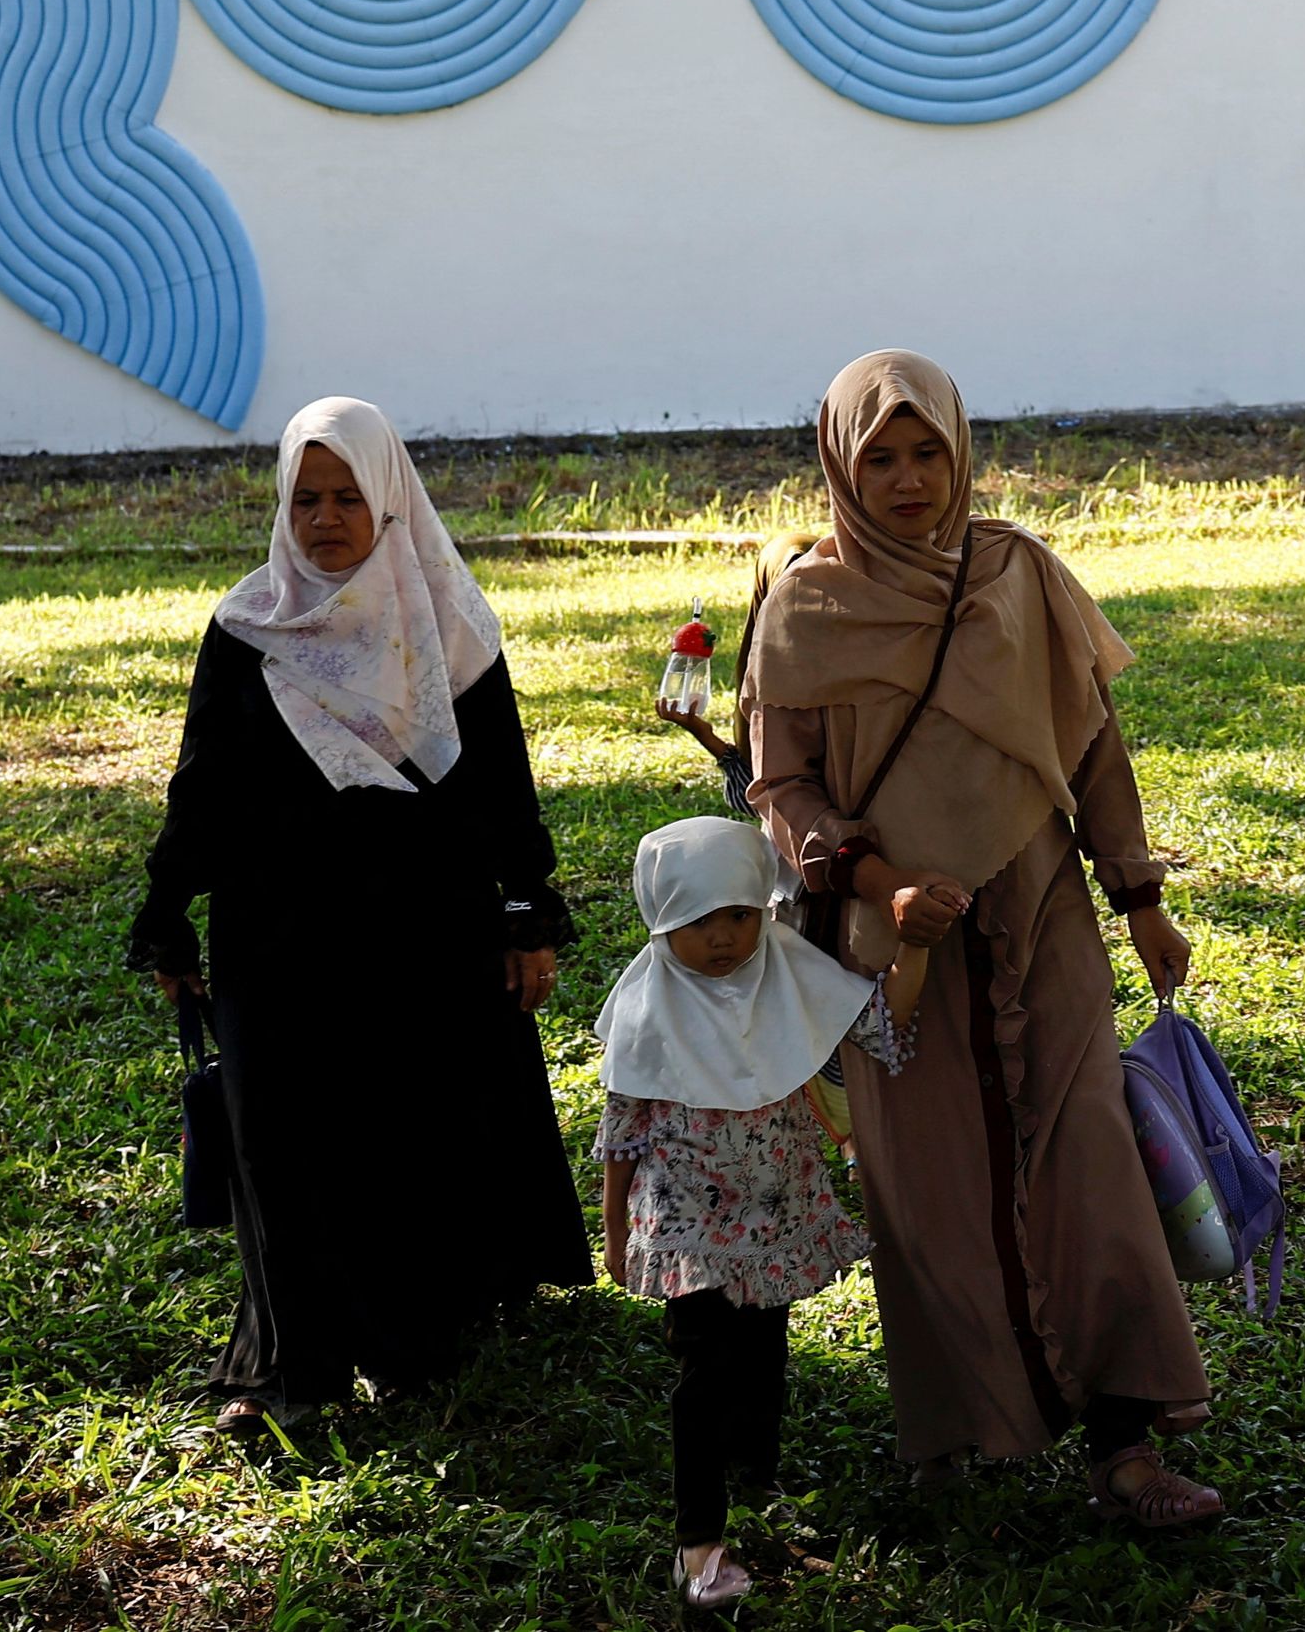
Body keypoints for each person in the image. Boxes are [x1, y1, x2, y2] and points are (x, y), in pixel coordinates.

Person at [742, 348, 1219, 1525]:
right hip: (892, 946)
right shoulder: (802, 605)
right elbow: (781, 787)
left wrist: (1139, 894)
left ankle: (1125, 1444)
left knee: (1089, 1157)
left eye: (928, 452)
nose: (908, 480)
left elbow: (1092, 744)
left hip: (1039, 907)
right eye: (880, 459)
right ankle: (961, 1426)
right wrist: (881, 881)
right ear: (840, 466)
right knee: (930, 1184)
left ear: (961, 452)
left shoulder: (1019, 572)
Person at [127, 395, 585, 1428]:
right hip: (273, 928)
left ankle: (409, 1336)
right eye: (306, 498)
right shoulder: (247, 626)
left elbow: (499, 781)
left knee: (402, 1129)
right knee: (278, 1137)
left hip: (419, 925)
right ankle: (292, 1365)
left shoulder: (447, 623)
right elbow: (203, 781)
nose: (326, 518)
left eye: (347, 497)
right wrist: (167, 908)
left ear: (389, 500)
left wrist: (524, 909)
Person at [594, 816, 903, 1609]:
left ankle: (758, 1478)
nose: (723, 937)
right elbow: (622, 1134)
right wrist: (615, 1230)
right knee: (705, 1371)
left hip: (774, 1214)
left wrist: (918, 941)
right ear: (662, 921)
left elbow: (884, 1028)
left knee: (764, 1353)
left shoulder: (788, 975)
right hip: (690, 1227)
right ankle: (698, 1542)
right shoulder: (646, 1007)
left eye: (738, 914)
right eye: (698, 921)